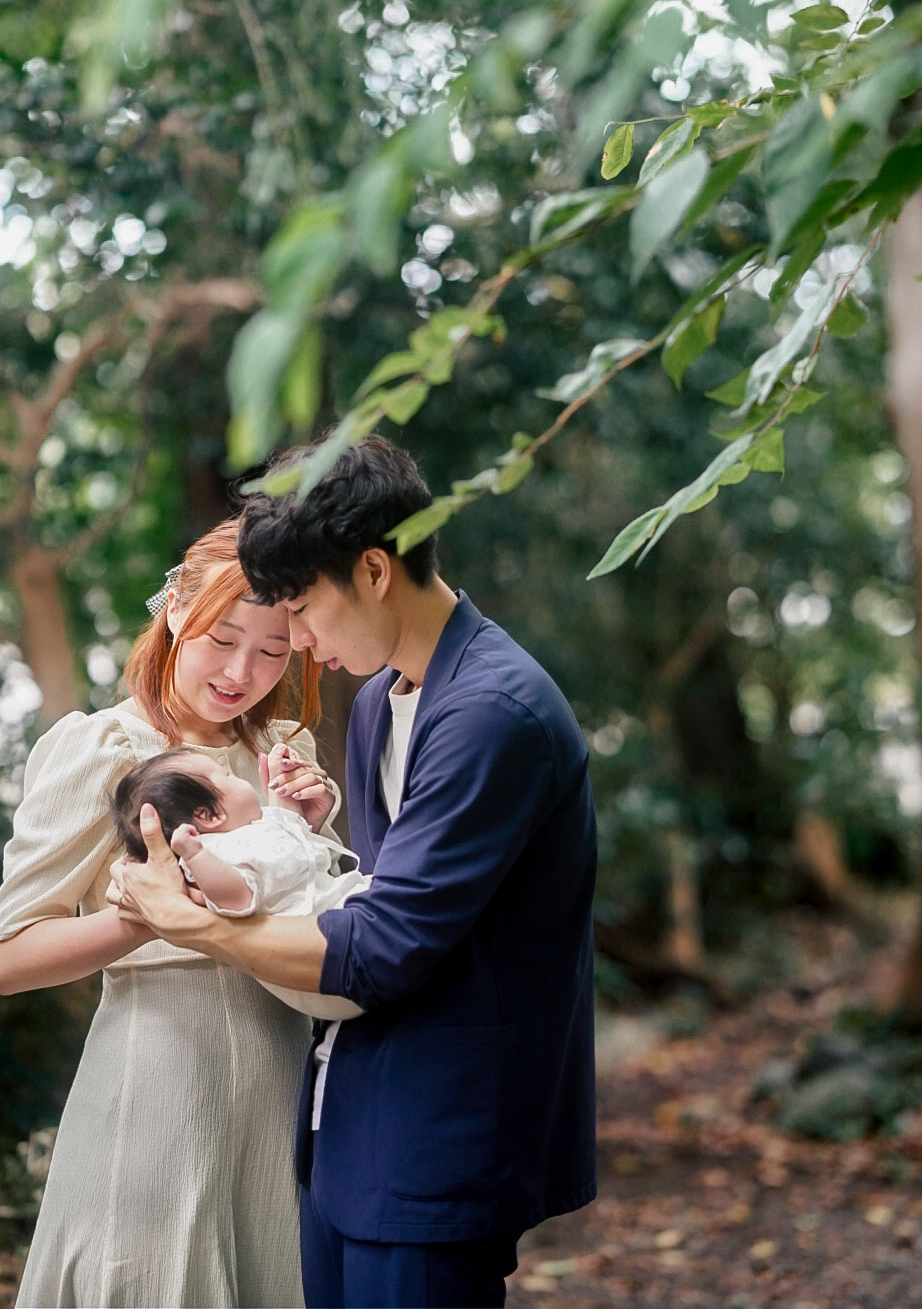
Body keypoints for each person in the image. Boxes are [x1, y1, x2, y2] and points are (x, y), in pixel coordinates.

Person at [111, 435, 598, 1309]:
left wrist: (196, 923)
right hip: (346, 1129)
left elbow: (380, 949)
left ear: (374, 570)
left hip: (438, 1144)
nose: (294, 642)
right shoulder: (381, 699)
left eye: (300, 609)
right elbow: (374, 891)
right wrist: (309, 834)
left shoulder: (492, 711)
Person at [0, 517, 337, 1309]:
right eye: (223, 638)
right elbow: (7, 958)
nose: (242, 671)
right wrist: (148, 920)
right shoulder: (104, 749)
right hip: (157, 1088)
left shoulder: (288, 754)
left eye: (274, 650)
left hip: (283, 1080)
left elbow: (316, 918)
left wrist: (302, 831)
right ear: (176, 609)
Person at [109, 744, 367, 1020]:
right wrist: (195, 854)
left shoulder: (253, 830)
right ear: (209, 815)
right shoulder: (214, 856)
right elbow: (238, 900)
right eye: (227, 775)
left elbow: (286, 824)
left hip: (335, 931)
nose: (237, 776)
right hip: (318, 968)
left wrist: (280, 776)